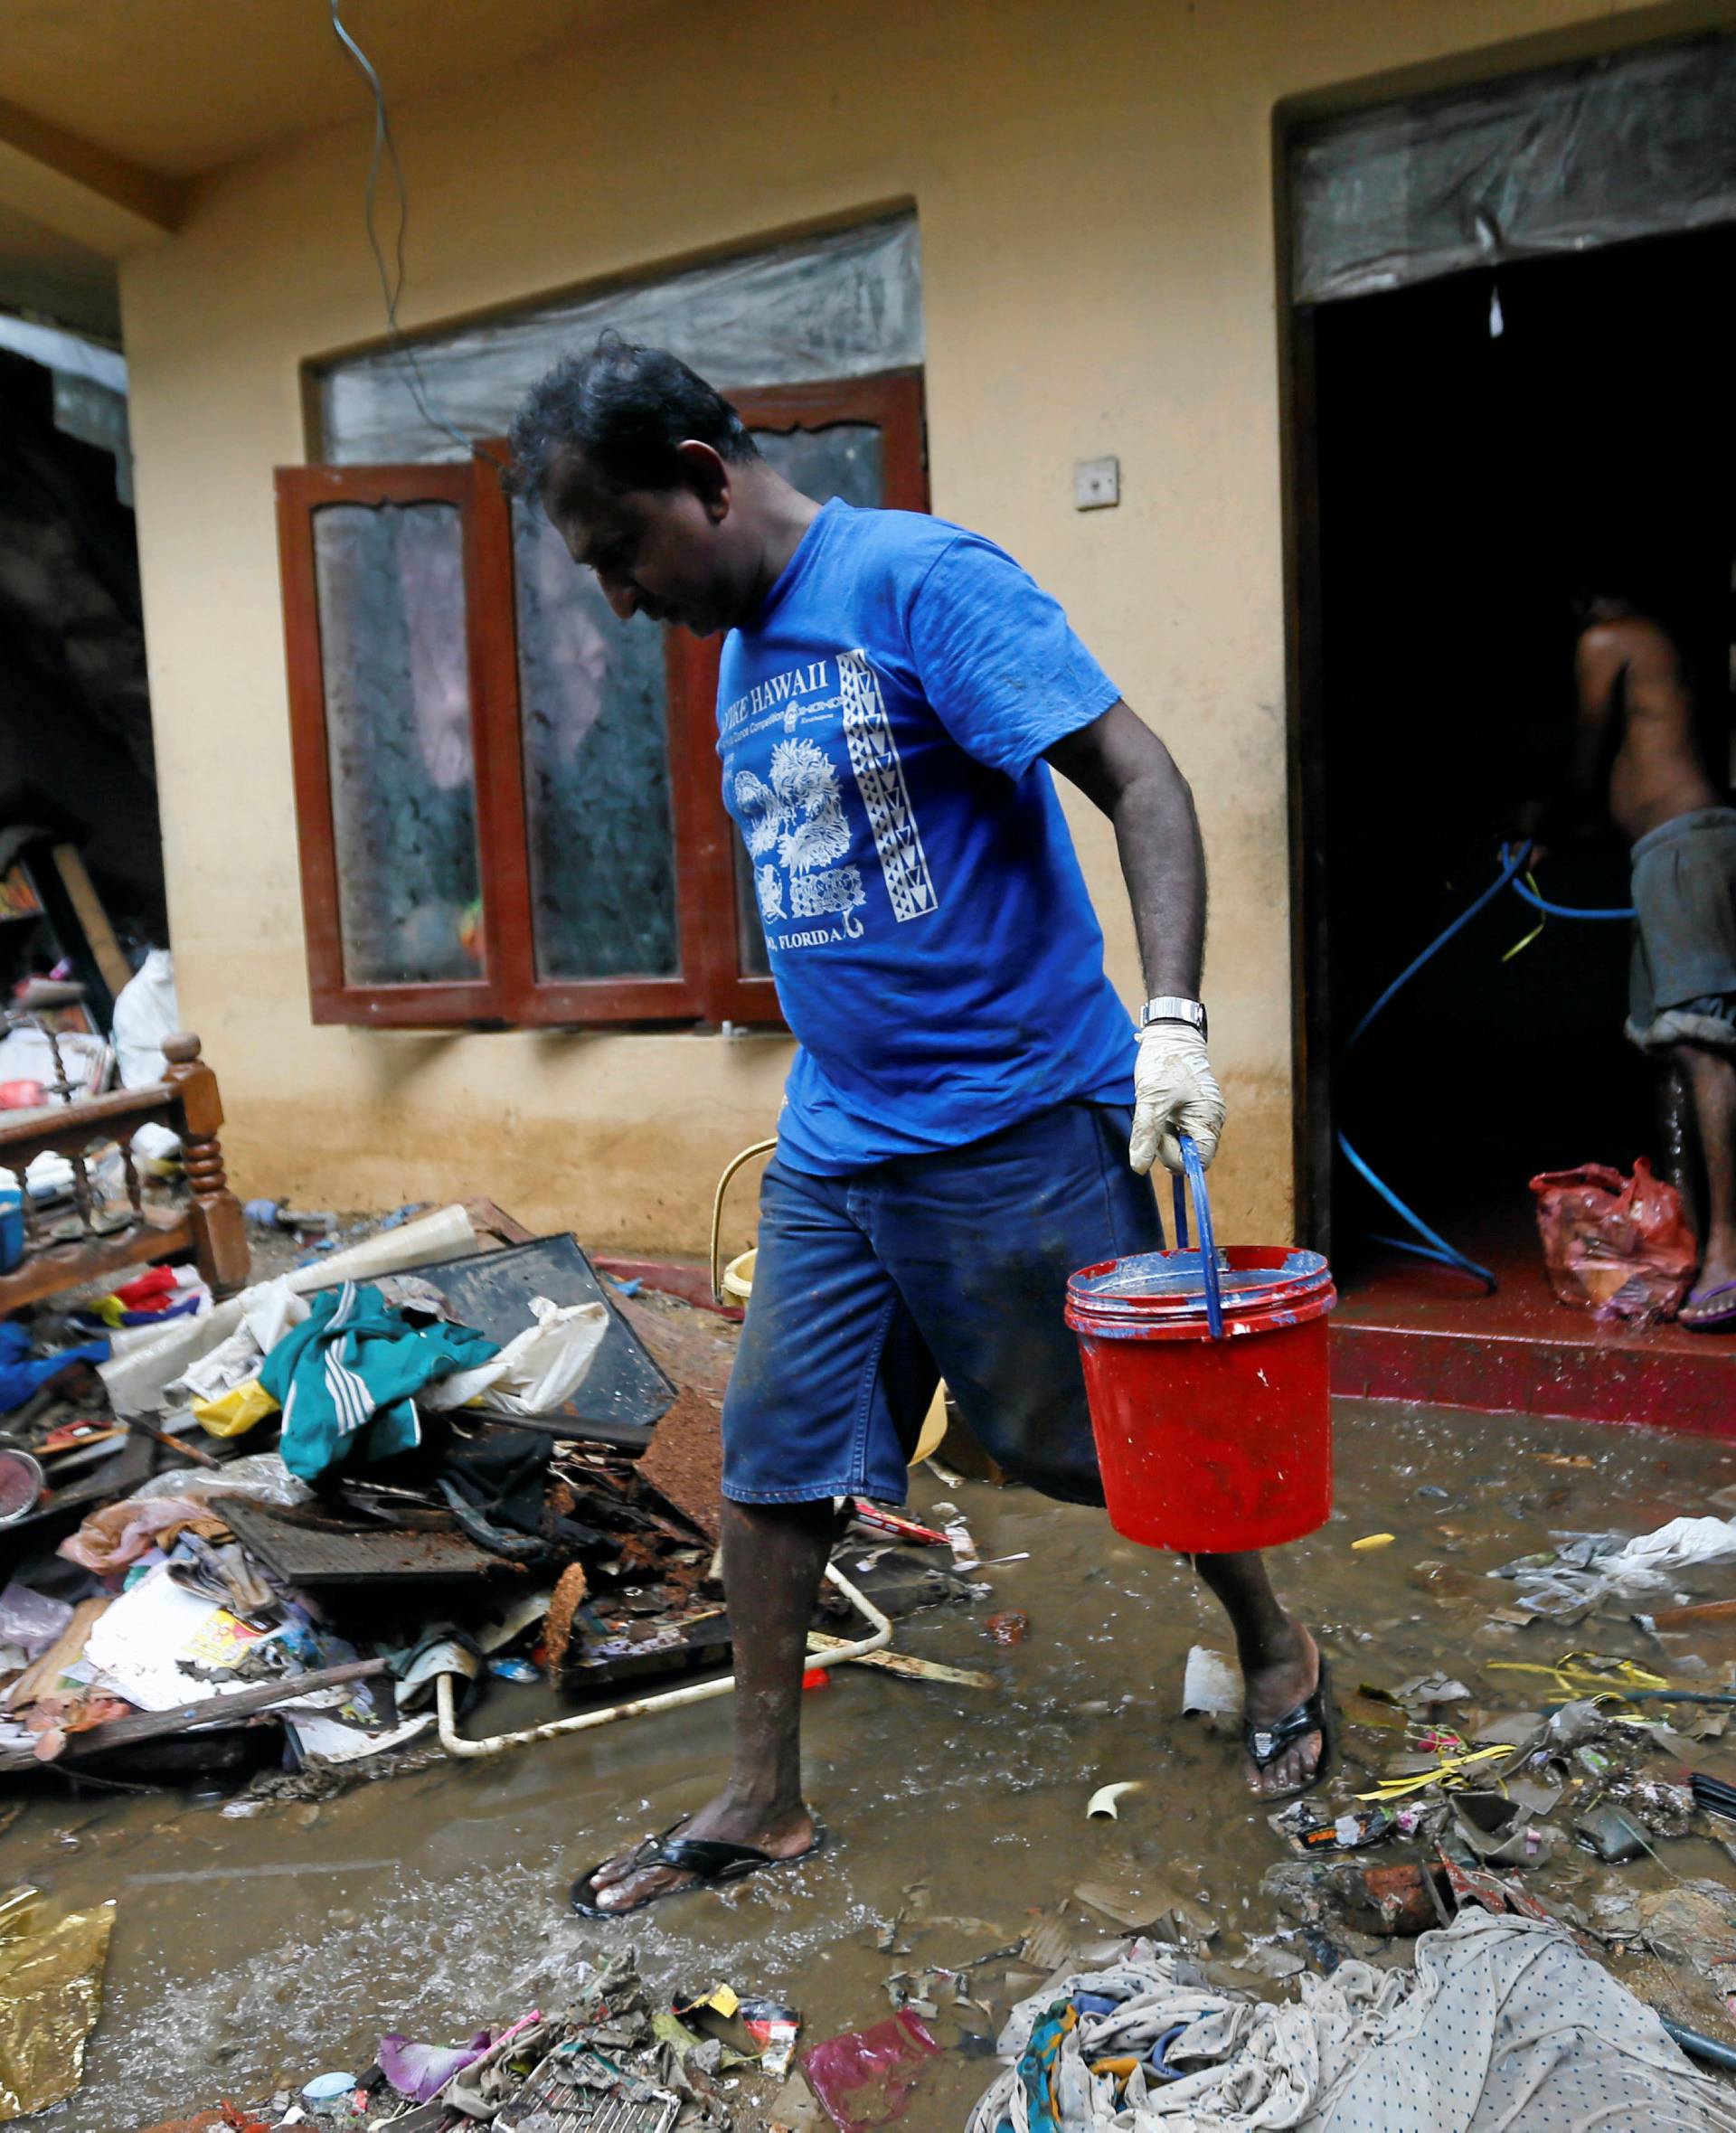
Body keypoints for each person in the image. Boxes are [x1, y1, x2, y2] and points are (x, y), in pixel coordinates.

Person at [507, 339, 1328, 1918]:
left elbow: (1139, 777)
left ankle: (1278, 1636)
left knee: (1100, 1444)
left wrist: (1173, 1018)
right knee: (774, 1458)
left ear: (700, 473)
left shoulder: (920, 581)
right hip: (839, 1140)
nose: (618, 596)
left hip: (1019, 1112)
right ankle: (761, 1797)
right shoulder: (742, 648)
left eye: (622, 551)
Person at [1548, 593, 1736, 1331]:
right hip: (1666, 849)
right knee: (1669, 1043)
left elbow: (1586, 759)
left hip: (1685, 846)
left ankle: (1728, 1251)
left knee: (1703, 1044)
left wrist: (1547, 819)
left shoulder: (1610, 637)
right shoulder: (1669, 638)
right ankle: (1686, 1246)